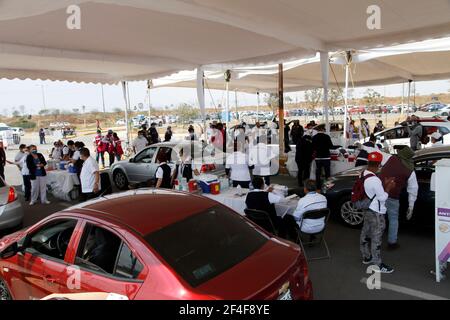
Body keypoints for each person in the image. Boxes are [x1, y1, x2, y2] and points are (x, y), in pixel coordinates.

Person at [360, 152, 396, 273]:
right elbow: (383, 198)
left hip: (367, 209)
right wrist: (388, 187)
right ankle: (377, 264)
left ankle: (366, 256)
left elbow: (371, 191)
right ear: (379, 164)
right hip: (376, 212)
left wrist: (383, 186)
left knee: (365, 233)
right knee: (376, 238)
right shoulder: (375, 179)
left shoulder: (364, 174)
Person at [378, 146, 418, 249]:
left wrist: (363, 147)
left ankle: (372, 238)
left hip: (379, 194)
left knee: (376, 217)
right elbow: (413, 189)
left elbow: (375, 152)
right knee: (393, 219)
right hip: (393, 197)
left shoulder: (389, 158)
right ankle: (392, 242)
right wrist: (411, 206)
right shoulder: (410, 171)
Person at [312, 126, 334, 190]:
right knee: (327, 173)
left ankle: (318, 187)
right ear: (323, 130)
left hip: (318, 157)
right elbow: (331, 146)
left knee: (318, 173)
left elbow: (312, 147)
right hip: (326, 157)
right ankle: (327, 187)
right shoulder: (326, 137)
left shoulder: (314, 137)